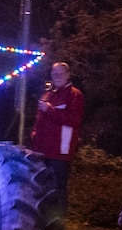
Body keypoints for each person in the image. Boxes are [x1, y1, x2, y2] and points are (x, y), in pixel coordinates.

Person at [30, 61, 85, 218]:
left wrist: (50, 110)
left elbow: (74, 120)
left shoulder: (75, 95)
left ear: (68, 75)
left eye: (61, 73)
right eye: (54, 74)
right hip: (41, 152)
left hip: (60, 152)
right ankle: (42, 226)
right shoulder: (48, 94)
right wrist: (34, 135)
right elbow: (39, 120)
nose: (57, 77)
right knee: (41, 190)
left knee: (58, 191)